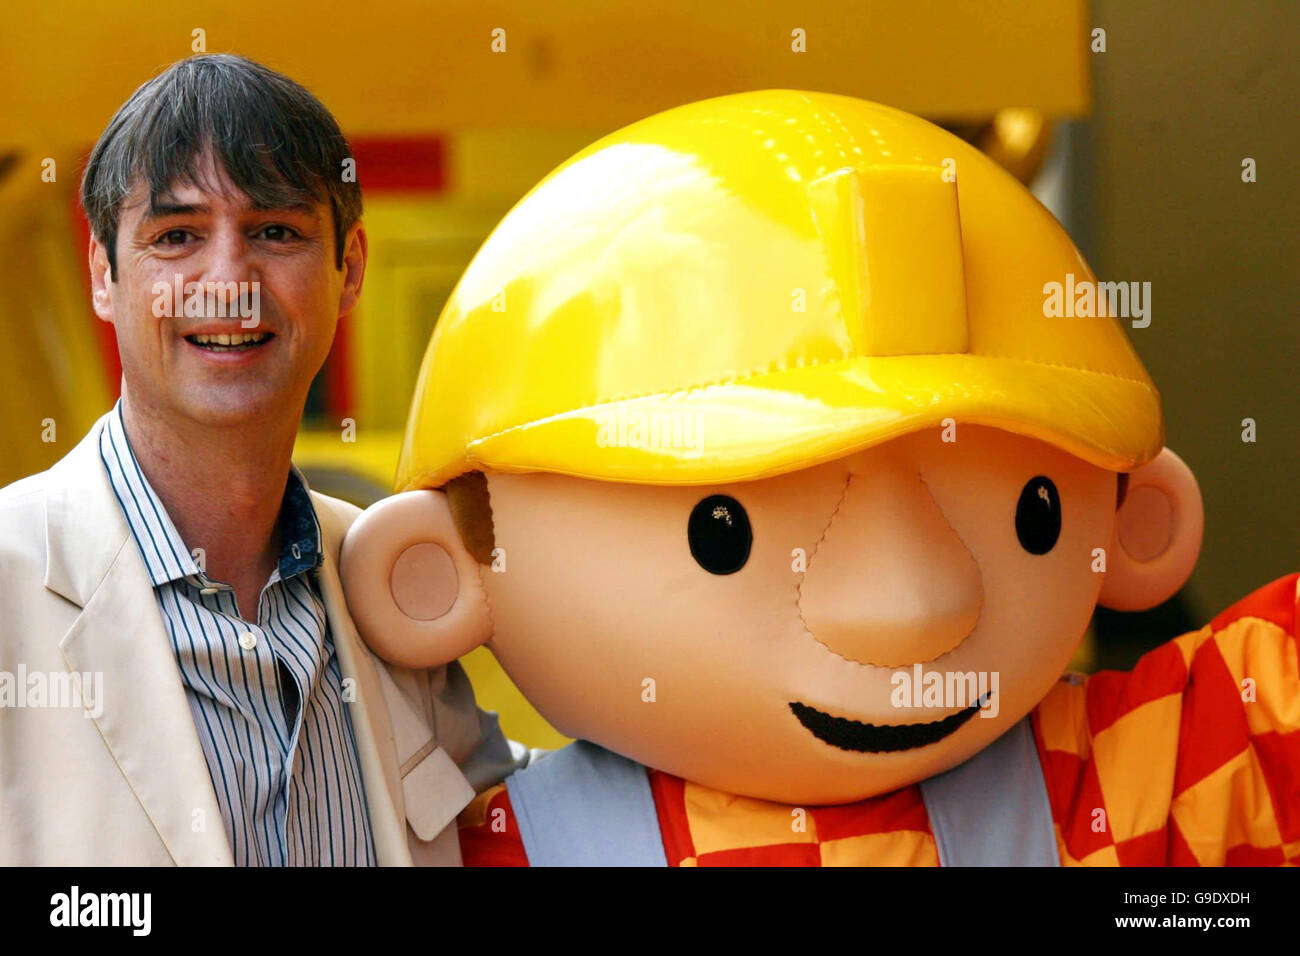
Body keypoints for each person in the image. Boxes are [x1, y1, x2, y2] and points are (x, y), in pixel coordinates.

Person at [339, 91, 1299, 866]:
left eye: (1032, 513)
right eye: (723, 530)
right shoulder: (475, 850)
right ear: (437, 575)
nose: (913, 606)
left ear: (1140, 523)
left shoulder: (1134, 784)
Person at [0, 53, 519, 865]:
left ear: (348, 269)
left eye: (275, 231)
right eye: (176, 237)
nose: (229, 281)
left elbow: (518, 821)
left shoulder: (390, 578)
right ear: (104, 276)